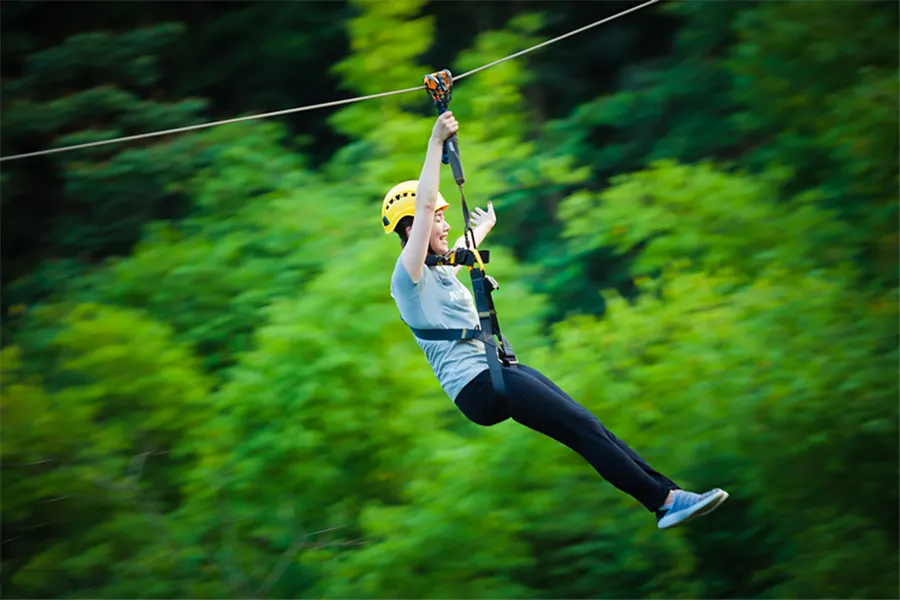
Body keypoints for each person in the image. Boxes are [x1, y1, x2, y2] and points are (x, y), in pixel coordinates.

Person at [381, 111, 728, 529]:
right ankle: (663, 501)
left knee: (586, 424)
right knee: (581, 427)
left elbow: (454, 255)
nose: (444, 221)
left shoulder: (435, 273)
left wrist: (482, 231)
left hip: (496, 372)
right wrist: (435, 142)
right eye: (438, 216)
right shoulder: (408, 277)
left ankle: (670, 496)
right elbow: (422, 208)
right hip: (479, 387)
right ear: (412, 226)